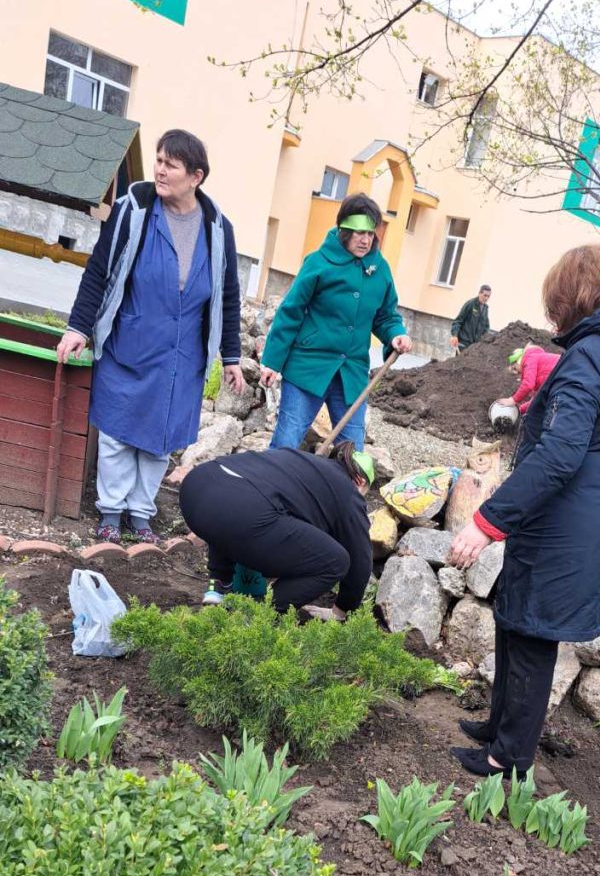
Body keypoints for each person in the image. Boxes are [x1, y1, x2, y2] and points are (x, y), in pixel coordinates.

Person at [448, 244, 600, 778]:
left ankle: (508, 757)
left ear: (573, 298)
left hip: (571, 517)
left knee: (531, 632)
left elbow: (559, 454)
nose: (552, 319)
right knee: (515, 617)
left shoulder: (592, 355)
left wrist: (487, 522)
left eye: (556, 305)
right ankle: (499, 725)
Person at [56, 129, 244, 544]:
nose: (159, 170)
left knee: (161, 439)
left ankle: (141, 515)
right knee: (118, 432)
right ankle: (110, 511)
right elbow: (99, 271)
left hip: (182, 354)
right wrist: (78, 328)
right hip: (131, 341)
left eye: (170, 165)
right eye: (158, 160)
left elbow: (227, 295)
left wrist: (231, 356)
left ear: (195, 176)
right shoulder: (133, 210)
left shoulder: (217, 229)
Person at [259, 194, 411, 451]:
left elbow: (385, 316)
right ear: (344, 231)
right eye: (358, 233)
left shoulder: (380, 270)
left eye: (370, 233)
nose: (365, 240)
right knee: (286, 444)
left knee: (352, 453)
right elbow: (291, 312)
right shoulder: (318, 262)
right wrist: (272, 362)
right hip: (308, 368)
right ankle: (273, 479)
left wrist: (396, 333)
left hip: (351, 374)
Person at [179, 441, 374, 614]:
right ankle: (256, 615)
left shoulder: (303, 463)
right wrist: (343, 610)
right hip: (241, 510)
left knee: (235, 507)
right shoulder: (350, 492)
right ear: (360, 482)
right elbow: (361, 561)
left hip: (196, 488)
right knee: (336, 561)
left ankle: (219, 585)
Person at [497, 342, 560, 414]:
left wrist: (513, 400)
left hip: (563, 378)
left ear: (518, 361)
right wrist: (519, 410)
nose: (517, 373)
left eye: (514, 368)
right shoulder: (537, 368)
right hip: (561, 384)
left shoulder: (530, 358)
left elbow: (528, 384)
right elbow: (537, 399)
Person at [450, 285, 491, 352]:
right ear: (479, 293)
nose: (486, 298)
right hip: (463, 342)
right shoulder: (470, 304)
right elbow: (458, 321)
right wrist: (454, 335)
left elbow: (486, 327)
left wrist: (485, 339)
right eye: (485, 295)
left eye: (488, 296)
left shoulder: (485, 308)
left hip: (475, 345)